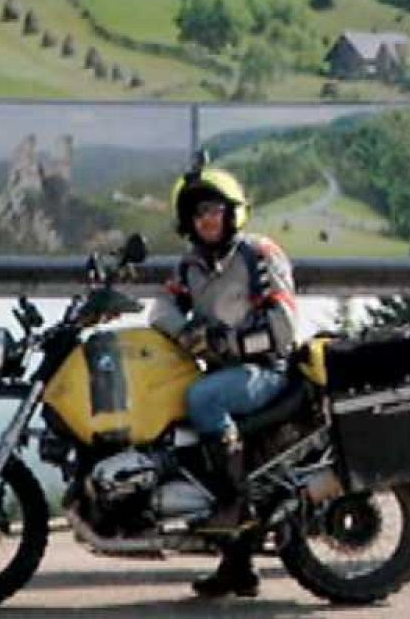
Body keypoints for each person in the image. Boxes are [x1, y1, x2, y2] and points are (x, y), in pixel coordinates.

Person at [150, 159, 302, 599]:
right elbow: (161, 310)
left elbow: (283, 328)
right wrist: (188, 333)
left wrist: (227, 343)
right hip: (227, 373)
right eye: (199, 214)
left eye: (215, 210)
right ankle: (237, 568)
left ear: (234, 212)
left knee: (202, 400)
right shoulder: (190, 266)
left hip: (267, 370)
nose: (208, 220)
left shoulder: (259, 255)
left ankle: (233, 502)